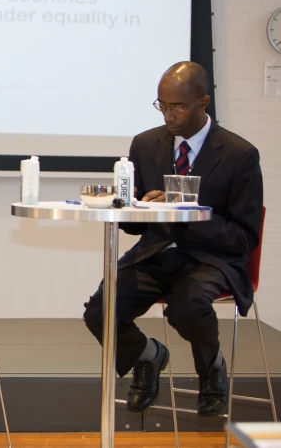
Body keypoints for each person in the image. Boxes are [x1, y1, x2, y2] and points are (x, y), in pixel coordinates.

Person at [83, 61, 263, 417]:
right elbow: (135, 225)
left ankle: (211, 369)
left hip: (212, 257)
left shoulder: (240, 154)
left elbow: (244, 236)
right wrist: (127, 206)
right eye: (161, 105)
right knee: (100, 310)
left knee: (188, 306)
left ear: (203, 102)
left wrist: (184, 212)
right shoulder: (146, 144)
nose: (168, 115)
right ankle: (148, 356)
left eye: (177, 106)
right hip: (156, 252)